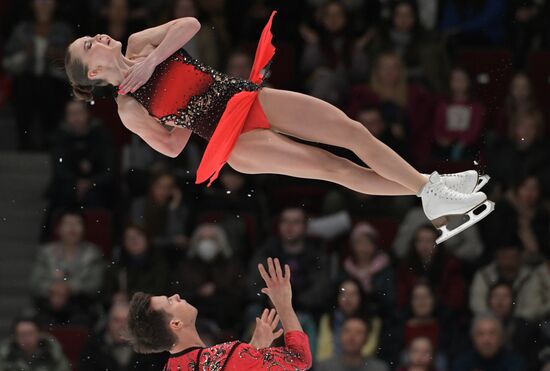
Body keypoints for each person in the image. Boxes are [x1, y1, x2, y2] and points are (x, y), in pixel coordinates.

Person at [64, 10, 494, 243]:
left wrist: (154, 61)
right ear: (93, 74)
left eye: (91, 37)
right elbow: (173, 148)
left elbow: (190, 24)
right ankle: (431, 191)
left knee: (352, 132)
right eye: (89, 46)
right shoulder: (129, 110)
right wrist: (184, 112)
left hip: (246, 96)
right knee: (335, 167)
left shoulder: (140, 44)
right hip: (236, 139)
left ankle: (429, 189)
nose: (98, 37)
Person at [124, 258, 313, 370]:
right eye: (170, 301)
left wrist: (254, 350)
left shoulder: (169, 368)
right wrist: (283, 304)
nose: (176, 295)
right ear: (175, 324)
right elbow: (299, 359)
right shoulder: (224, 357)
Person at [452, 315, 525, 371]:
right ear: (473, 339)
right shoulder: (462, 363)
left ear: (500, 338)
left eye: (492, 333)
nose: (486, 340)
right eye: (481, 334)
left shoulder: (515, 362)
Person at [317, 317, 389, 371]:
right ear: (340, 335)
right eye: (347, 331)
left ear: (366, 339)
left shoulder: (378, 369)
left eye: (358, 332)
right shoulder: (325, 367)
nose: (351, 337)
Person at [0, 316, 70, 371]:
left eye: (30, 333)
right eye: (22, 334)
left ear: (39, 334)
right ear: (15, 337)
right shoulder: (5, 356)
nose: (26, 338)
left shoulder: (53, 355)